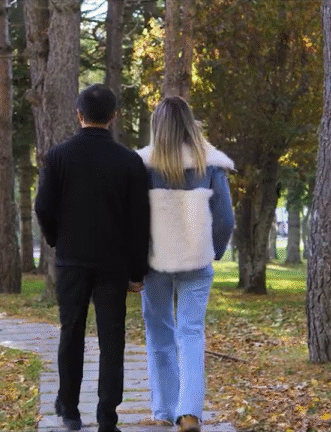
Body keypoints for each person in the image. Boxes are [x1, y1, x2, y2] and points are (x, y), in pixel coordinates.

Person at [35, 84, 150, 432]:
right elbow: (139, 221)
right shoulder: (130, 161)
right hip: (113, 263)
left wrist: (57, 240)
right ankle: (107, 417)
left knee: (71, 332)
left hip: (72, 259)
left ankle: (70, 411)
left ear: (78, 114)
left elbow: (43, 207)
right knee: (112, 339)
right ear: (114, 116)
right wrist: (137, 271)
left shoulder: (58, 157)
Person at [136, 96, 234, 432]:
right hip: (196, 260)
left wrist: (136, 259)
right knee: (191, 333)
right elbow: (225, 219)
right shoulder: (210, 165)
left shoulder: (143, 166)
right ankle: (190, 412)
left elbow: (135, 219)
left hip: (155, 262)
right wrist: (214, 251)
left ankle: (164, 410)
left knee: (159, 333)